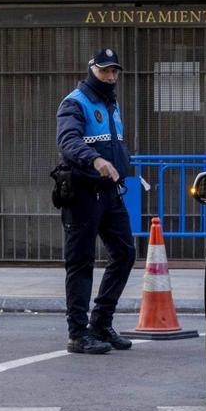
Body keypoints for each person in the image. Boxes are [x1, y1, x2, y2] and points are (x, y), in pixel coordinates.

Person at [55, 48, 136, 354]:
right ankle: (78, 333)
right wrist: (96, 161)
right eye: (105, 71)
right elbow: (68, 141)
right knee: (81, 262)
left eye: (114, 71)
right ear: (92, 70)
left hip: (110, 192)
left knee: (125, 253)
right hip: (83, 193)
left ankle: (101, 322)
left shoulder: (111, 104)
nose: (111, 76)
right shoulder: (75, 103)